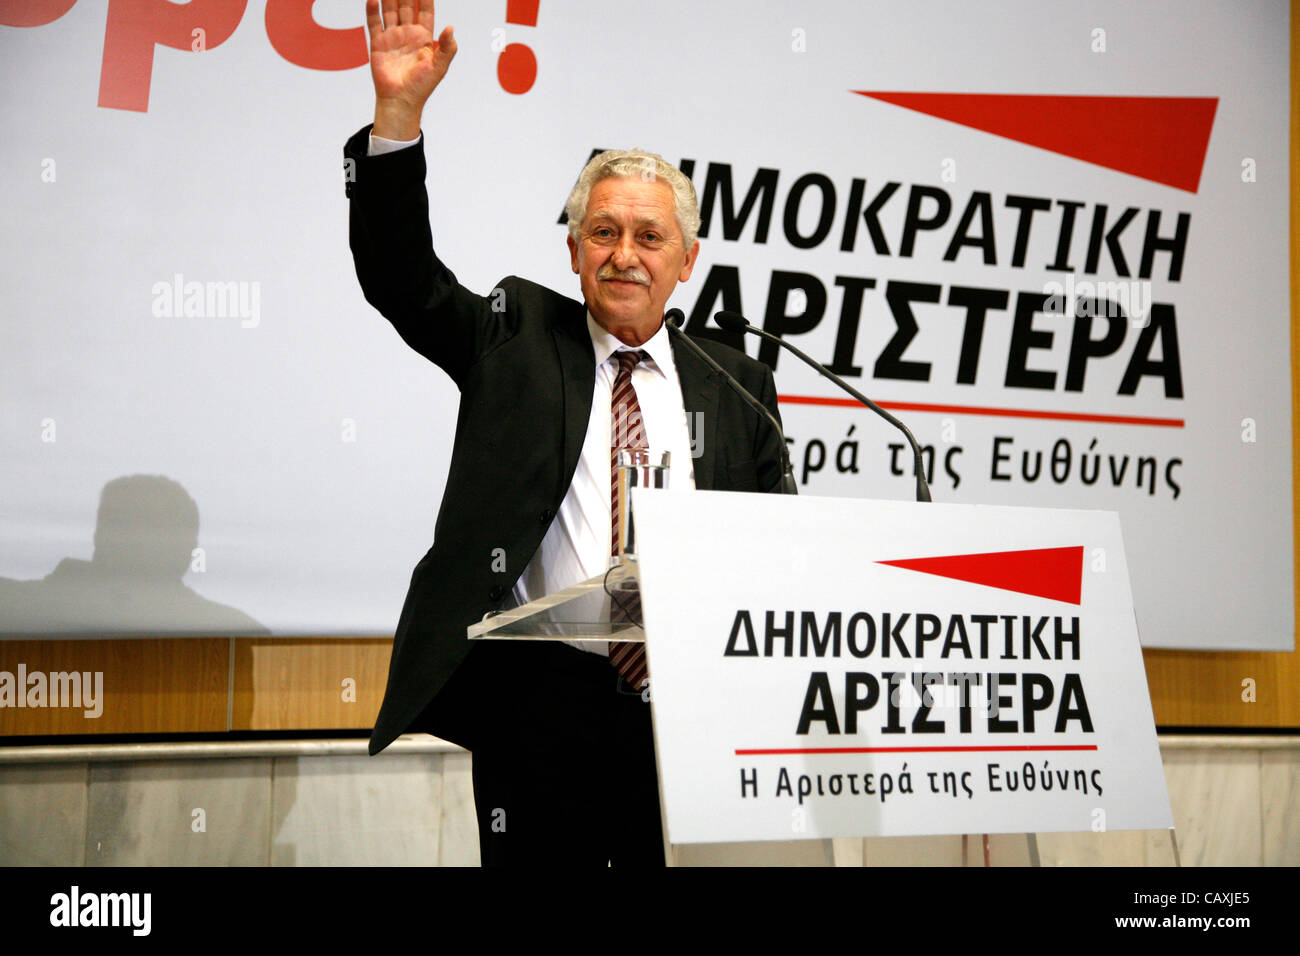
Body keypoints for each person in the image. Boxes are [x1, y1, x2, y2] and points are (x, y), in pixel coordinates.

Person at [347, 0, 786, 866]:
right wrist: (398, 117)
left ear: (686, 259)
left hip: (682, 705)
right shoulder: (513, 337)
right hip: (535, 700)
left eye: (650, 236)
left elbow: (775, 546)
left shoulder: (740, 385)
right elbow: (401, 277)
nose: (626, 253)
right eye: (604, 232)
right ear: (575, 252)